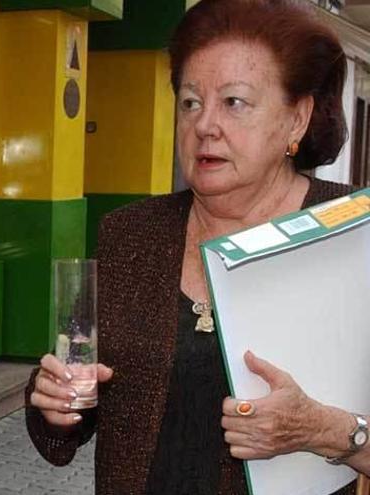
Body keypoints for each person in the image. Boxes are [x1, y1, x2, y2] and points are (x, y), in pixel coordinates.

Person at [26, 1, 370, 493]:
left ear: (297, 119)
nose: (204, 124)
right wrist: (58, 403)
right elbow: (78, 384)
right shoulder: (132, 233)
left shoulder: (354, 234)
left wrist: (328, 431)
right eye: (190, 102)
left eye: (234, 102)